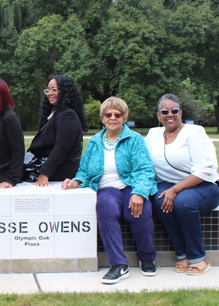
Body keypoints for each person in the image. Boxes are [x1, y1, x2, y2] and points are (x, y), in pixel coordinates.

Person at [62, 97, 158, 284]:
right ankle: (119, 265)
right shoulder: (95, 142)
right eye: (108, 114)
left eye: (117, 114)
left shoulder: (135, 140)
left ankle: (147, 258)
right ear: (102, 117)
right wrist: (76, 181)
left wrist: (139, 192)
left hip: (131, 185)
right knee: (104, 208)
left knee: (140, 210)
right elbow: (84, 169)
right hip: (107, 187)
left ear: (124, 117)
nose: (112, 118)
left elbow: (145, 170)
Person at [145, 94, 219, 276]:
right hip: (168, 184)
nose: (169, 115)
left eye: (174, 111)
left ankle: (199, 257)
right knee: (158, 201)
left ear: (181, 113)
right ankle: (182, 254)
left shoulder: (194, 132)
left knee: (183, 203)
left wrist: (175, 190)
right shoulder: (153, 134)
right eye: (165, 111)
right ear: (158, 116)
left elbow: (203, 171)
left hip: (204, 185)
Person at [26, 75, 88, 186]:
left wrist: (44, 173)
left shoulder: (68, 115)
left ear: (65, 91)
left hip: (61, 171)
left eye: (54, 89)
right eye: (48, 90)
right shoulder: (58, 113)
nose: (50, 93)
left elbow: (61, 148)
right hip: (51, 166)